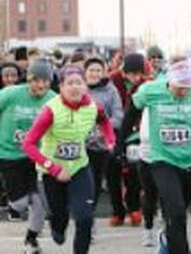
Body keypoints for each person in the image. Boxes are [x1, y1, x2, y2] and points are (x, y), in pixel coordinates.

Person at [116, 57, 191, 254]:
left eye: (187, 87)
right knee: (175, 211)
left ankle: (168, 236)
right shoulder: (151, 90)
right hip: (162, 159)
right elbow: (131, 112)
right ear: (169, 81)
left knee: (180, 211)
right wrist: (119, 145)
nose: (184, 92)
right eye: (179, 87)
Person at [22, 65, 116, 254]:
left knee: (85, 218)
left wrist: (110, 140)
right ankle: (57, 226)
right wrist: (54, 168)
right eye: (69, 83)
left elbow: (104, 121)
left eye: (79, 83)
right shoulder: (51, 111)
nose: (75, 87)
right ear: (61, 87)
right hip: (52, 172)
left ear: (85, 86)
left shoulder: (92, 107)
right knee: (59, 217)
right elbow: (28, 145)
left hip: (79, 167)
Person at [0, 59, 56, 253]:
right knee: (20, 203)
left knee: (39, 202)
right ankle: (15, 204)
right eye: (36, 80)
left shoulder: (53, 99)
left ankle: (31, 241)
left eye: (45, 81)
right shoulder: (10, 94)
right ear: (28, 79)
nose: (40, 85)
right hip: (9, 154)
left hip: (37, 156)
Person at [106, 53, 148, 226]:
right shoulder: (112, 80)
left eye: (139, 73)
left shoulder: (145, 84)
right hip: (112, 131)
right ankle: (117, 211)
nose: (136, 77)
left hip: (134, 132)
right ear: (124, 71)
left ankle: (134, 207)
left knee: (133, 171)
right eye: (132, 73)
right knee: (112, 172)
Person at [85, 58, 124, 217]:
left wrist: (102, 128)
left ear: (104, 73)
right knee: (89, 183)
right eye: (91, 70)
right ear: (85, 73)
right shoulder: (78, 89)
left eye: (98, 70)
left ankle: (118, 212)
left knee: (110, 180)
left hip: (106, 144)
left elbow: (118, 117)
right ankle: (88, 217)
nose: (94, 74)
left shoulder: (111, 91)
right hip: (84, 145)